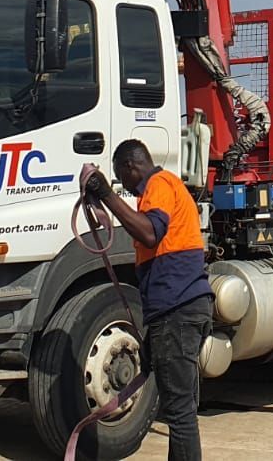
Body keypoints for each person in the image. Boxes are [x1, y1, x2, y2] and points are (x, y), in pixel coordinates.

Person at [83, 140, 212, 461]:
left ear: (131, 166)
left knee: (180, 414)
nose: (123, 186)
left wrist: (105, 194)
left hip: (178, 313)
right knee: (182, 410)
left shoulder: (159, 184)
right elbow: (153, 237)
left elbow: (150, 232)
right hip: (180, 311)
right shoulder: (165, 188)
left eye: (120, 178)